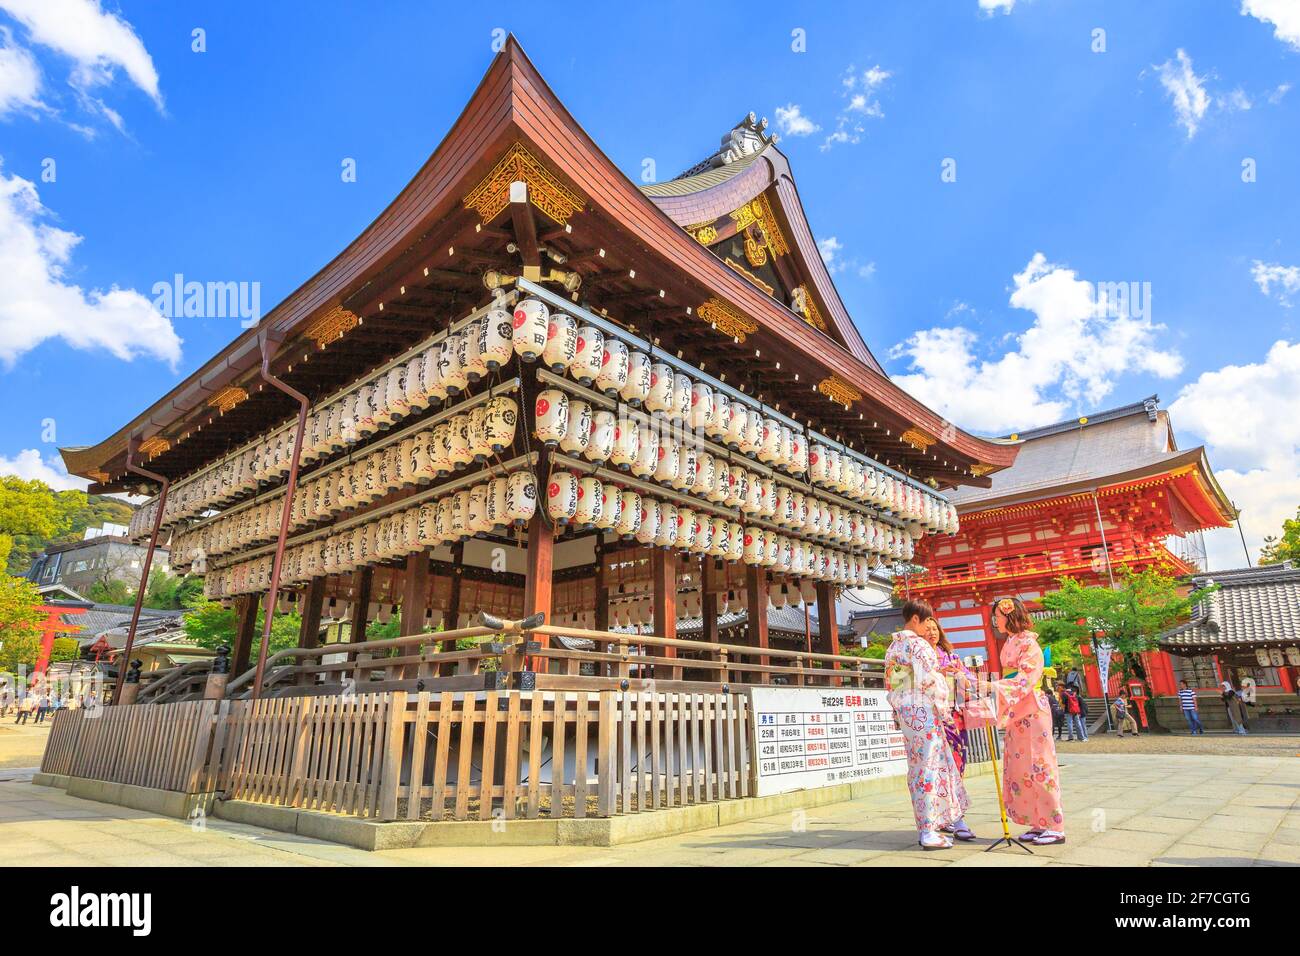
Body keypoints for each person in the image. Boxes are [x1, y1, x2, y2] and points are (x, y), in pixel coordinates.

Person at [885, 600, 972, 850]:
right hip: (925, 712)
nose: (929, 628)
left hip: (907, 714)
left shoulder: (894, 647)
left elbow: (893, 685)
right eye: (926, 622)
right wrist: (944, 707)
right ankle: (928, 831)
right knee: (930, 769)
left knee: (917, 769)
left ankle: (928, 826)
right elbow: (930, 681)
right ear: (915, 620)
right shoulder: (918, 644)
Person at [987, 596, 1065, 846]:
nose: (994, 621)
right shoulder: (1010, 642)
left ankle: (1055, 825)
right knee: (1021, 767)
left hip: (1031, 709)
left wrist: (994, 687)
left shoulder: (1029, 644)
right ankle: (1037, 821)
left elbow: (1025, 679)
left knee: (1039, 765)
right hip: (1017, 711)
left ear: (1008, 615)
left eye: (997, 616)